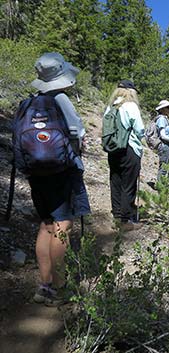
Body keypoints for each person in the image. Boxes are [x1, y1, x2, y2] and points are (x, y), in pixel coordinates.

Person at [22, 52, 91, 306]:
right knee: (63, 225)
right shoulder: (60, 98)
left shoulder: (31, 101)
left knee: (46, 224)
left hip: (35, 171)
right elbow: (78, 132)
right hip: (61, 171)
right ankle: (60, 290)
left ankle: (44, 286)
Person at [104, 80, 145, 231]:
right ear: (131, 92)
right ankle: (125, 220)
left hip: (113, 149)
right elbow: (140, 129)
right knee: (129, 184)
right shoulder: (131, 106)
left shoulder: (111, 106)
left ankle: (116, 216)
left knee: (115, 181)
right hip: (129, 148)